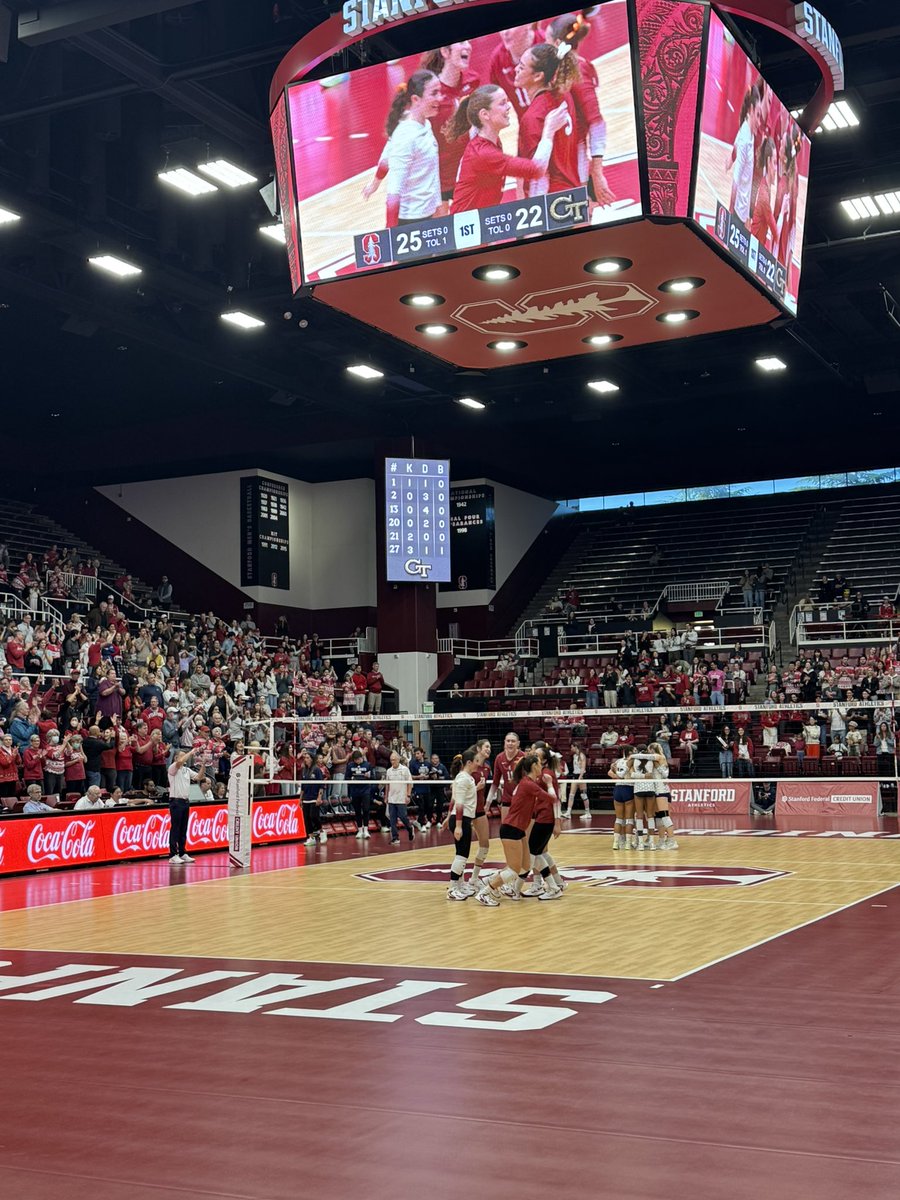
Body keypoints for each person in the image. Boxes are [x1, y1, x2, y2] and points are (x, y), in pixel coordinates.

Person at [444, 84, 569, 211]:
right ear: (485, 114)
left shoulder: (491, 140)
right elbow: (537, 169)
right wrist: (549, 130)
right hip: (469, 225)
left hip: (482, 218)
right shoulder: (484, 154)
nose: (509, 106)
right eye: (502, 103)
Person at [363, 70, 441, 227]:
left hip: (428, 214)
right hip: (411, 221)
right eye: (434, 93)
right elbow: (394, 191)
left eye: (439, 92)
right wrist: (392, 234)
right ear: (415, 99)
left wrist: (375, 183)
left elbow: (386, 158)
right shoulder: (406, 136)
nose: (440, 98)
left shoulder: (422, 123)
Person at [477, 753, 556, 906]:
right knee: (513, 870)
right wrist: (550, 784)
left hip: (519, 830)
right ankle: (485, 891)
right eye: (539, 764)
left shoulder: (527, 782)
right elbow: (552, 798)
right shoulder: (528, 784)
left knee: (526, 866)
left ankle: (493, 879)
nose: (542, 767)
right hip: (510, 829)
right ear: (534, 766)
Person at [514, 42, 582, 197]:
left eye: (522, 67)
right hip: (574, 191)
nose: (515, 69)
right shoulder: (565, 97)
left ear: (538, 76)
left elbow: (537, 173)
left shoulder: (532, 117)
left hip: (551, 201)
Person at [446, 748, 479, 900]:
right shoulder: (463, 779)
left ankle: (459, 885)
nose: (478, 764)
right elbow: (458, 804)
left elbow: (455, 800)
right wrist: (458, 825)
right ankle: (452, 888)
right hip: (461, 819)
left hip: (463, 818)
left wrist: (448, 817)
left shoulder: (467, 778)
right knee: (461, 855)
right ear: (469, 762)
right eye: (476, 761)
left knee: (462, 854)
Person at [166, 748, 205, 864]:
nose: (185, 758)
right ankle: (173, 854)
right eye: (182, 756)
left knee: (183, 829)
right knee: (175, 828)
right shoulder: (172, 768)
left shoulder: (187, 770)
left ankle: (182, 852)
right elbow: (179, 762)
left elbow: (198, 777)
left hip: (185, 801)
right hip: (176, 801)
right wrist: (191, 752)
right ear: (176, 757)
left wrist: (203, 765)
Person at [487, 730, 524, 819]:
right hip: (507, 799)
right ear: (504, 742)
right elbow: (495, 782)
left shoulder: (523, 757)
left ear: (518, 743)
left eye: (513, 741)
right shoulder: (499, 758)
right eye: (508, 741)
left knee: (522, 830)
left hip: (522, 799)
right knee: (505, 829)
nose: (510, 743)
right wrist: (488, 803)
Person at [385, 750, 414, 845]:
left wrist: (408, 795)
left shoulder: (405, 770)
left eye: (394, 760)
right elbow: (387, 785)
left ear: (398, 760)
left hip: (401, 797)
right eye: (391, 760)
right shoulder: (389, 771)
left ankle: (410, 828)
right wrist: (386, 796)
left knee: (402, 816)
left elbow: (410, 783)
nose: (392, 762)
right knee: (392, 819)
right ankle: (395, 837)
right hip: (391, 798)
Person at [608, 749, 634, 850]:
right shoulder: (631, 761)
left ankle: (616, 843)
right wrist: (620, 777)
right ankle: (628, 844)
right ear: (629, 753)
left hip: (618, 789)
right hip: (628, 788)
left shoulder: (618, 761)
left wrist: (617, 777)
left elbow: (609, 772)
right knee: (629, 819)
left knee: (619, 818)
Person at [348, 749, 374, 840]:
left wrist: (369, 776)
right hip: (355, 791)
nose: (357, 762)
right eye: (355, 760)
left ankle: (366, 829)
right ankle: (359, 829)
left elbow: (373, 778)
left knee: (366, 809)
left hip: (365, 790)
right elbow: (346, 778)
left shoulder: (368, 765)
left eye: (358, 759)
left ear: (361, 758)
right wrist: (351, 779)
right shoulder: (350, 765)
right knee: (357, 811)